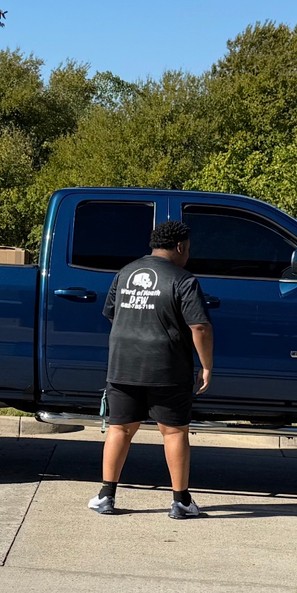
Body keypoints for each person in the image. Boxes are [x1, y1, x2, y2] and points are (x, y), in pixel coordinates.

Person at [88, 220, 215, 519]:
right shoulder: (183, 279)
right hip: (167, 367)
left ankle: (106, 496)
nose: (188, 255)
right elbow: (199, 326)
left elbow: (111, 313)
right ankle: (181, 502)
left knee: (120, 428)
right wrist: (206, 365)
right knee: (173, 432)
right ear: (180, 246)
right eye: (188, 249)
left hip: (123, 364)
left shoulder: (125, 272)